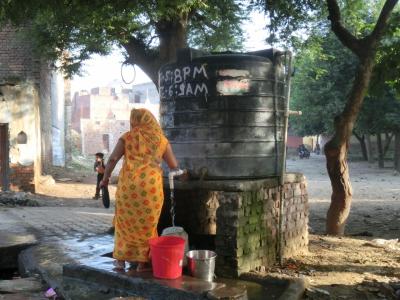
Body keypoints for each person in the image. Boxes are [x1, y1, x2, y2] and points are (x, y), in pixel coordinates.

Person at [100, 108, 179, 272]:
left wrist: (105, 179)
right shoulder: (162, 140)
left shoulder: (128, 137)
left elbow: (113, 158)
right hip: (151, 189)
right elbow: (173, 166)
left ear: (135, 121)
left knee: (124, 224)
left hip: (129, 187)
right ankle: (142, 263)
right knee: (148, 226)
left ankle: (121, 261)